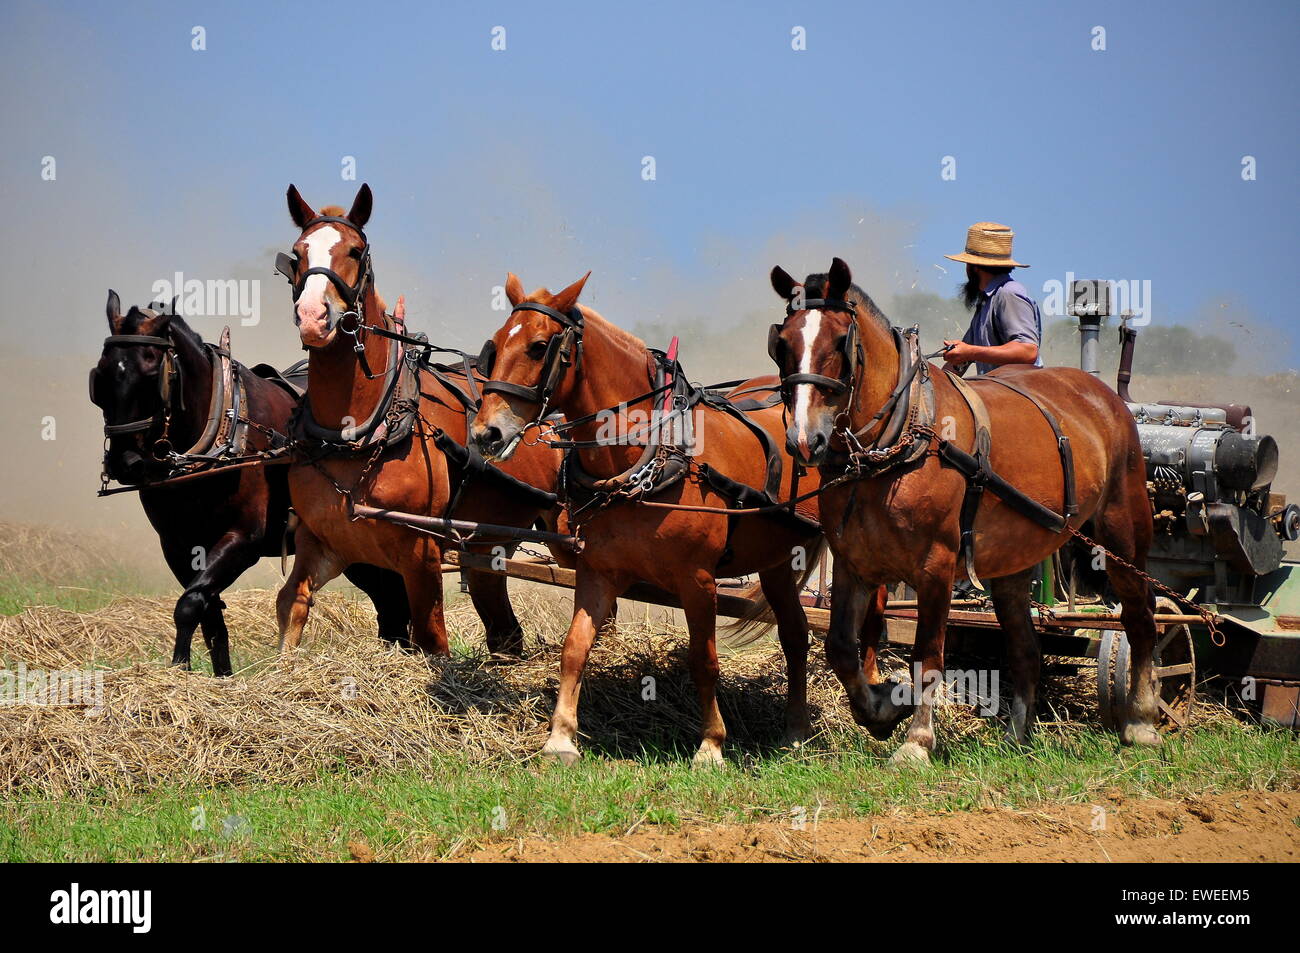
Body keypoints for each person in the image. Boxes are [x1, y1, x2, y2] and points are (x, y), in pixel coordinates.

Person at [941, 222, 1042, 376]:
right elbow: (965, 356)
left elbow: (1027, 351)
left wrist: (970, 352)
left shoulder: (1009, 293)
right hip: (999, 392)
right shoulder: (986, 301)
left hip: (1020, 393)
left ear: (972, 266)